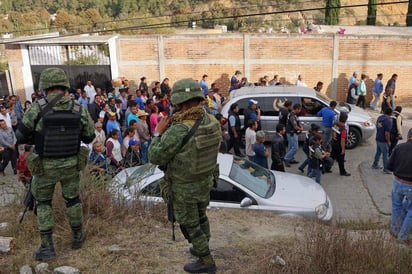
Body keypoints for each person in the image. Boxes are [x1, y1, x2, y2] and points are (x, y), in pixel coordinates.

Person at [15, 67, 95, 261]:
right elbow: (90, 135)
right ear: (64, 86)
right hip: (71, 164)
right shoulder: (78, 108)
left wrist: (37, 136)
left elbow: (20, 135)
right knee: (73, 200)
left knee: (43, 203)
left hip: (45, 167)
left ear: (44, 87)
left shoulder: (37, 107)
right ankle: (77, 237)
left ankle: (47, 247)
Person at [148, 78, 221, 273]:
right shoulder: (212, 121)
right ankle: (201, 248)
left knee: (190, 224)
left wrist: (158, 133)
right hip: (205, 180)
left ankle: (206, 261)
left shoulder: (180, 129)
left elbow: (155, 156)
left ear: (183, 103)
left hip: (185, 186)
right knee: (201, 216)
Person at [387, 128, 412, 245]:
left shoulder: (399, 147)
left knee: (396, 206)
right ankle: (403, 237)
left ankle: (394, 230)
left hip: (398, 182)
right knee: (411, 211)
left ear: (408, 137)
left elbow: (389, 166)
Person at [372, 108, 393, 174]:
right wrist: (389, 141)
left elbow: (377, 127)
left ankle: (375, 164)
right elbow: (387, 133)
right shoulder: (388, 121)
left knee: (378, 152)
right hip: (383, 140)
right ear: (390, 114)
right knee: (385, 155)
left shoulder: (380, 118)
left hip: (378, 138)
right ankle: (386, 169)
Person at [331, 112, 351, 176]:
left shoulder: (335, 124)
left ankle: (326, 167)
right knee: (341, 160)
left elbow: (333, 132)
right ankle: (342, 172)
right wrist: (343, 150)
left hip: (334, 143)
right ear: (345, 120)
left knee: (332, 157)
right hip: (339, 146)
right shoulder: (343, 129)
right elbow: (342, 140)